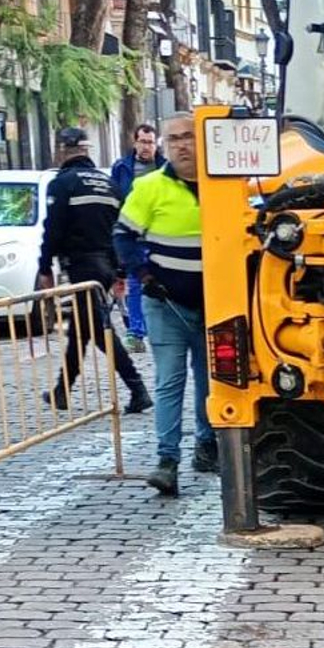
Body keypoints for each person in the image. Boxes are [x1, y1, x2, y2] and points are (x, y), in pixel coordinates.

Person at [113, 116, 213, 498]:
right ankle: (167, 461)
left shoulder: (224, 187)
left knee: (210, 380)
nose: (182, 145)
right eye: (174, 139)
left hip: (216, 302)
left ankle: (207, 447)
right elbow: (123, 236)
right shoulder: (149, 186)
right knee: (170, 381)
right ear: (164, 145)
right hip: (166, 304)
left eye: (189, 136)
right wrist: (144, 274)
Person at [37, 127, 152, 413]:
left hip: (82, 265)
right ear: (86, 150)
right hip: (106, 265)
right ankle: (62, 390)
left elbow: (52, 229)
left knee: (100, 330)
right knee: (82, 329)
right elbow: (122, 231)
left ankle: (138, 389)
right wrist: (121, 271)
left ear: (62, 150)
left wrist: (44, 267)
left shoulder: (62, 184)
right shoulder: (108, 184)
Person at [110, 123, 160, 347]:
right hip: (133, 235)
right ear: (135, 142)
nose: (147, 147)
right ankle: (136, 332)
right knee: (135, 282)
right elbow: (115, 201)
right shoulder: (122, 167)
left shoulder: (165, 167)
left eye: (151, 142)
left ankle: (157, 329)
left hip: (160, 235)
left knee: (160, 281)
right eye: (143, 142)